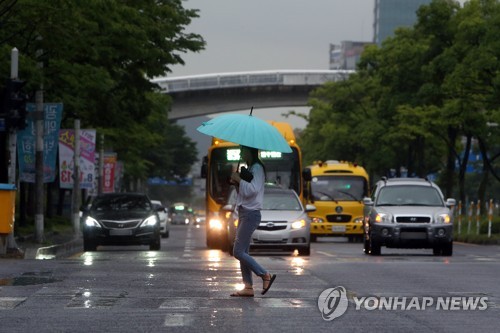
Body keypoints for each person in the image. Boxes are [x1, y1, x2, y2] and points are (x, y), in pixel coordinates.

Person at [229, 145, 276, 297]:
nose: (241, 153)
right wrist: (237, 182)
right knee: (244, 251)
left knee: (238, 251)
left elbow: (252, 191)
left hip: (251, 214)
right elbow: (243, 194)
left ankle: (264, 274)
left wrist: (238, 180)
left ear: (250, 151)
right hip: (245, 212)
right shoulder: (250, 168)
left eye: (243, 150)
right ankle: (248, 286)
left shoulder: (257, 168)